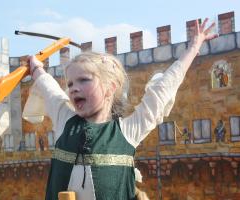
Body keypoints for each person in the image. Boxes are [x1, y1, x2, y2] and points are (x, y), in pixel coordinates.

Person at [23, 19, 217, 200]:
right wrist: (36, 68)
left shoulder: (127, 132)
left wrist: (193, 48)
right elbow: (50, 89)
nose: (73, 87)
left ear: (110, 87)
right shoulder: (65, 120)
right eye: (71, 82)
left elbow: (163, 89)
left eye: (84, 80)